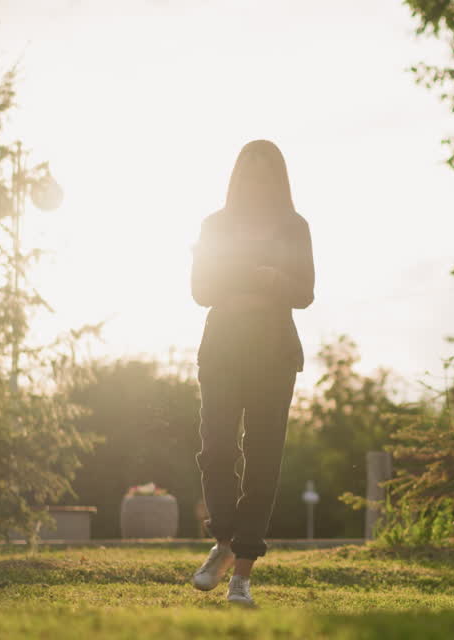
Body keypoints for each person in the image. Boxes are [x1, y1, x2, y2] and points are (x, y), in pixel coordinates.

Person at [188, 139, 314, 607]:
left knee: (263, 458)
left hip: (274, 351)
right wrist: (245, 277)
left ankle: (242, 573)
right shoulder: (214, 225)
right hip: (222, 346)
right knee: (216, 448)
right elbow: (201, 289)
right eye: (250, 171)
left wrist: (278, 281)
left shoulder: (294, 227)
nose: (258, 181)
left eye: (267, 172)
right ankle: (222, 541)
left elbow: (306, 293)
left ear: (278, 178)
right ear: (238, 176)